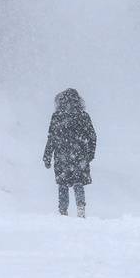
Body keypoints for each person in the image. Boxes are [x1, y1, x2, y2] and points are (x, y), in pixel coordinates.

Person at [43, 88, 97, 218]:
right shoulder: (83, 115)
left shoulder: (57, 116)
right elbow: (92, 136)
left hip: (62, 153)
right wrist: (90, 152)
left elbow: (51, 137)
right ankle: (80, 204)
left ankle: (63, 210)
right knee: (78, 181)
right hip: (79, 153)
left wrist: (47, 156)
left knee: (63, 183)